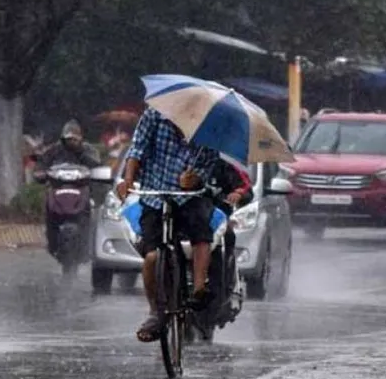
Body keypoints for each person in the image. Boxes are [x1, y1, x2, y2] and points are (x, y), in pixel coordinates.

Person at [115, 106, 219, 343]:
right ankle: (155, 312)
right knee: (152, 256)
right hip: (155, 195)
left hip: (189, 197)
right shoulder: (154, 115)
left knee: (202, 232)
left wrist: (196, 178)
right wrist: (128, 180)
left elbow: (210, 162)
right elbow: (137, 149)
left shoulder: (207, 126)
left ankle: (199, 288)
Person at [33, 119, 101, 257]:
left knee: (94, 208)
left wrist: (81, 153)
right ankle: (52, 240)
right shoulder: (54, 150)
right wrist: (40, 172)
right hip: (58, 187)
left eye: (75, 138)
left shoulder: (88, 150)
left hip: (81, 187)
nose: (71, 141)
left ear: (80, 138)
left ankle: (88, 242)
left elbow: (96, 165)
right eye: (69, 138)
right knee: (48, 205)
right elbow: (42, 164)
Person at [207, 158, 253, 323]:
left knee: (227, 238)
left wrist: (238, 194)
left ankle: (223, 291)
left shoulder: (224, 166)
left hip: (217, 224)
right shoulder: (179, 164)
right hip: (187, 221)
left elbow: (246, 189)